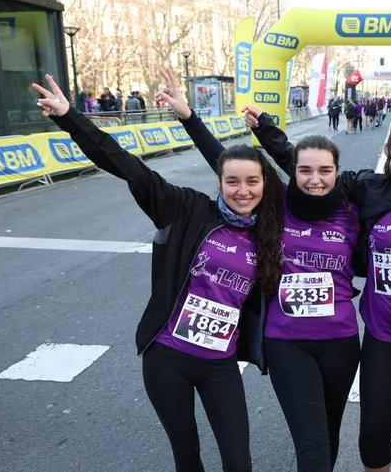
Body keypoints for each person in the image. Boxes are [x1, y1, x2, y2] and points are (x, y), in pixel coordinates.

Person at [32, 73, 285, 472]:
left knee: (239, 462)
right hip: (167, 358)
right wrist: (69, 117)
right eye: (232, 181)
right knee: (187, 458)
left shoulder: (269, 230)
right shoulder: (186, 209)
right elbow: (126, 165)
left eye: (252, 182)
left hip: (220, 364)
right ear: (219, 182)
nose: (242, 190)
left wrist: (192, 119)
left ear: (264, 185)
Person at [247, 99, 391, 472]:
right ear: (389, 149)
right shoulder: (367, 189)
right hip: (386, 334)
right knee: (373, 431)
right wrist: (266, 130)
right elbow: (309, 167)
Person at [163, 65, 362, 472]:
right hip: (287, 342)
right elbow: (228, 163)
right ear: (295, 172)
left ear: (338, 175)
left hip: (342, 342)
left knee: (329, 435)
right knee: (311, 443)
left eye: (325, 172)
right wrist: (190, 119)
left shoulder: (351, 213)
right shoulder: (277, 204)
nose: (314, 179)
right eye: (305, 171)